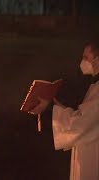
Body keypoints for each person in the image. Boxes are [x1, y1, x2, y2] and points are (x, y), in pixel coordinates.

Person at [31, 41, 99, 180]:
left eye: (86, 58)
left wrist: (49, 108)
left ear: (97, 60)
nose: (82, 62)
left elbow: (81, 124)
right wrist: (57, 106)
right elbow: (85, 115)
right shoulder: (95, 86)